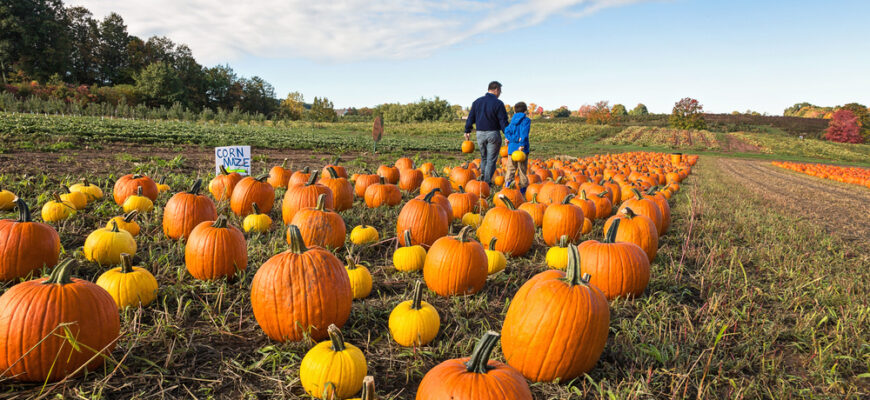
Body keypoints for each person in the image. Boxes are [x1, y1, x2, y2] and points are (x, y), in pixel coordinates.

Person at [465, 81, 508, 185]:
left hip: (480, 134)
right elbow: (503, 121)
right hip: (493, 133)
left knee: (484, 157)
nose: (500, 94)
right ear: (496, 90)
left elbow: (471, 117)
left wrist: (467, 130)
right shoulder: (498, 103)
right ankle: (486, 183)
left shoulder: (477, 102)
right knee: (491, 160)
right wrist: (508, 135)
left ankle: (482, 180)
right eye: (500, 91)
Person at [503, 102, 531, 193]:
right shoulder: (526, 120)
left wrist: (513, 139)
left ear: (514, 111)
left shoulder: (512, 121)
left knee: (510, 169)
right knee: (522, 171)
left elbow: (507, 131)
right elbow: (524, 133)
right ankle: (523, 191)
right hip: (522, 150)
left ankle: (507, 188)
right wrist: (521, 143)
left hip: (512, 150)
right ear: (525, 111)